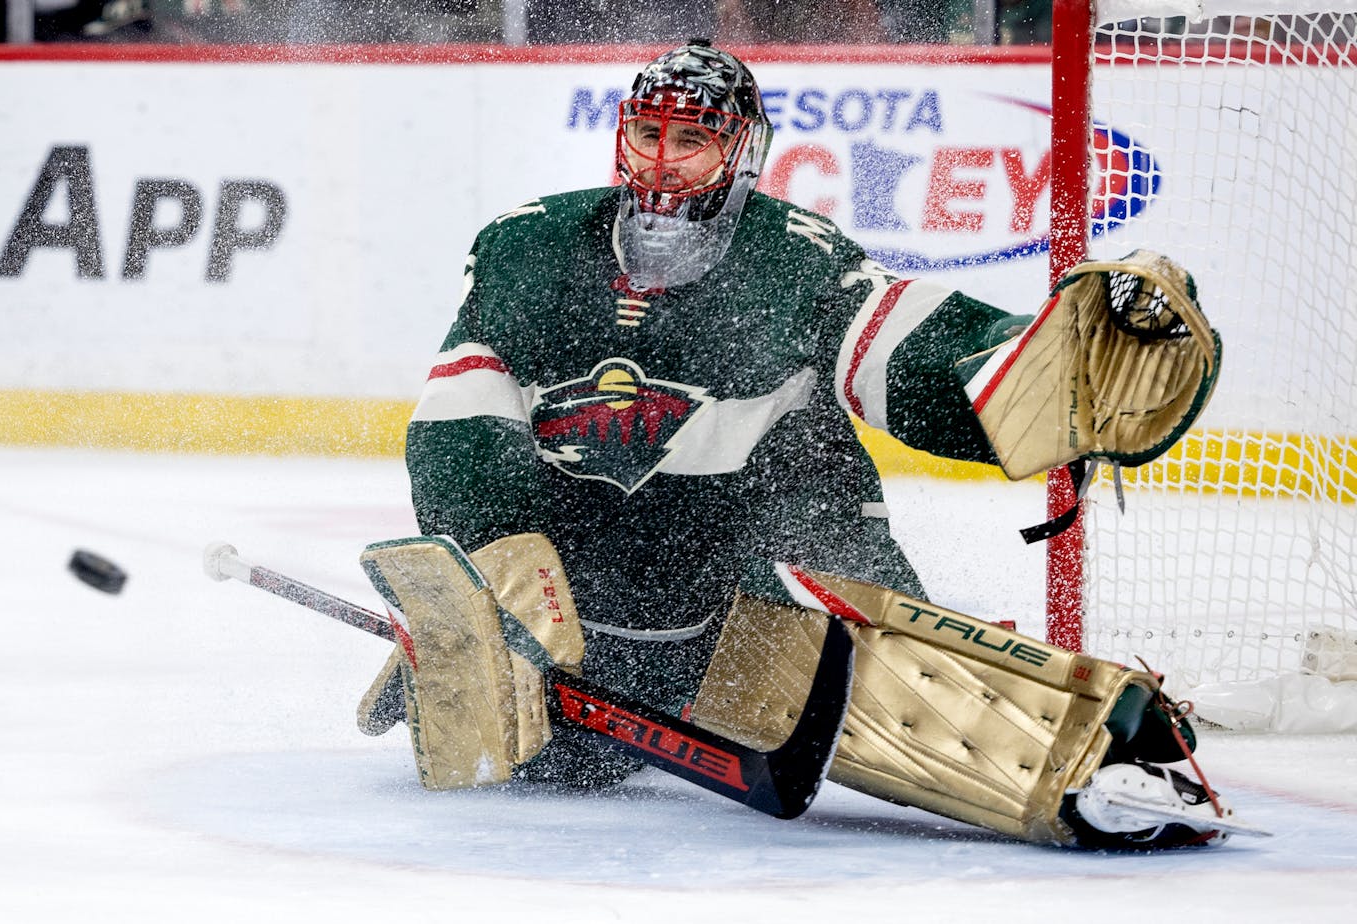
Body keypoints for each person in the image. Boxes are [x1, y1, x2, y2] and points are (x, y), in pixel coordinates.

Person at [357, 40, 1247, 849]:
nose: (663, 161)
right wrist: (487, 570)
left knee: (845, 658)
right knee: (548, 764)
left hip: (763, 549)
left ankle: (1091, 745)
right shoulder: (529, 247)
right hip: (587, 598)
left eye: (691, 139)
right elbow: (460, 427)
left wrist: (1046, 371)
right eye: (649, 133)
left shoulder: (798, 259)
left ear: (742, 150)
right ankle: (559, 679)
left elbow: (911, 352)